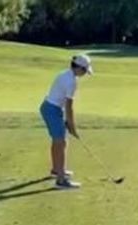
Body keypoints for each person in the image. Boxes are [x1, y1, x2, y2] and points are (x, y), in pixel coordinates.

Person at [40, 54, 93, 189]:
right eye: (85, 71)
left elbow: (64, 104)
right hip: (52, 110)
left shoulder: (65, 73)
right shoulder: (71, 82)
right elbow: (69, 106)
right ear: (79, 68)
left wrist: (68, 123)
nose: (85, 73)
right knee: (61, 142)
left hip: (50, 108)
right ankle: (61, 180)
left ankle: (57, 169)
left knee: (58, 140)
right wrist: (72, 126)